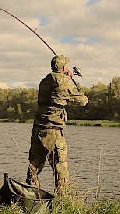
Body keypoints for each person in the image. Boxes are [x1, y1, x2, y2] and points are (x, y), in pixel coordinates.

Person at [26, 55, 88, 194]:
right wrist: (70, 78)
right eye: (67, 66)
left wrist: (66, 77)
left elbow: (57, 96)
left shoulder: (45, 81)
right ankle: (62, 199)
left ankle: (30, 194)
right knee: (60, 166)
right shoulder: (64, 82)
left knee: (34, 165)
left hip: (39, 127)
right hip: (53, 130)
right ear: (64, 67)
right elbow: (82, 101)